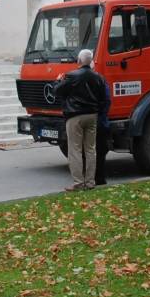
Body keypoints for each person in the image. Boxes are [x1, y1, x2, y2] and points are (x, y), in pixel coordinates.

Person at [53, 49, 108, 191]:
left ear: (78, 61)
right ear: (90, 61)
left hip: (75, 116)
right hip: (92, 116)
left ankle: (78, 183)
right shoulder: (98, 77)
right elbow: (104, 99)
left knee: (75, 149)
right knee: (91, 149)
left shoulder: (72, 76)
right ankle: (90, 182)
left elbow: (58, 91)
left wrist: (58, 81)